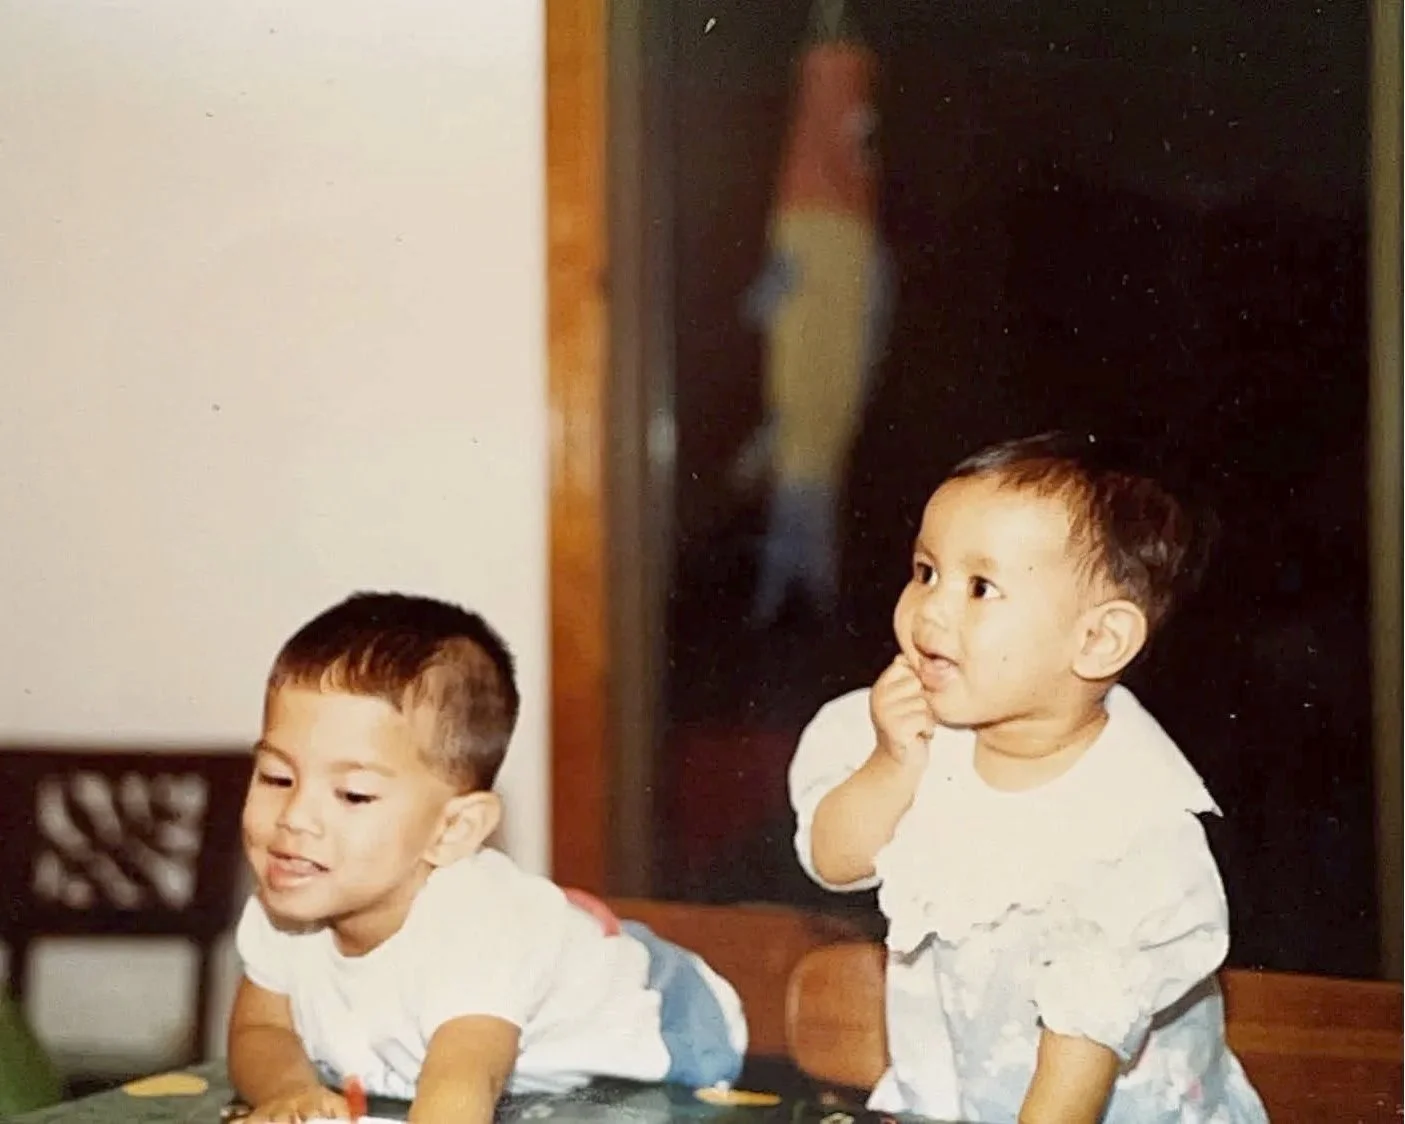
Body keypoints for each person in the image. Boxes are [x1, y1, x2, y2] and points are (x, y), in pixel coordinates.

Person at [789, 433, 1268, 1123]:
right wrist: (890, 765)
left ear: (1097, 640)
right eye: (925, 571)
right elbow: (833, 862)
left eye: (980, 587)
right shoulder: (922, 739)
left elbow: (1072, 1073)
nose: (930, 609)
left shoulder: (1133, 834)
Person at [227, 592, 746, 1124]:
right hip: (497, 1061)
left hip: (669, 1025)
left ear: (453, 829)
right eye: (276, 777)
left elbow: (463, 1082)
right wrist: (288, 1094)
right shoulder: (289, 893)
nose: (293, 816)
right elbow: (260, 1029)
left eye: (353, 795)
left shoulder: (472, 928)